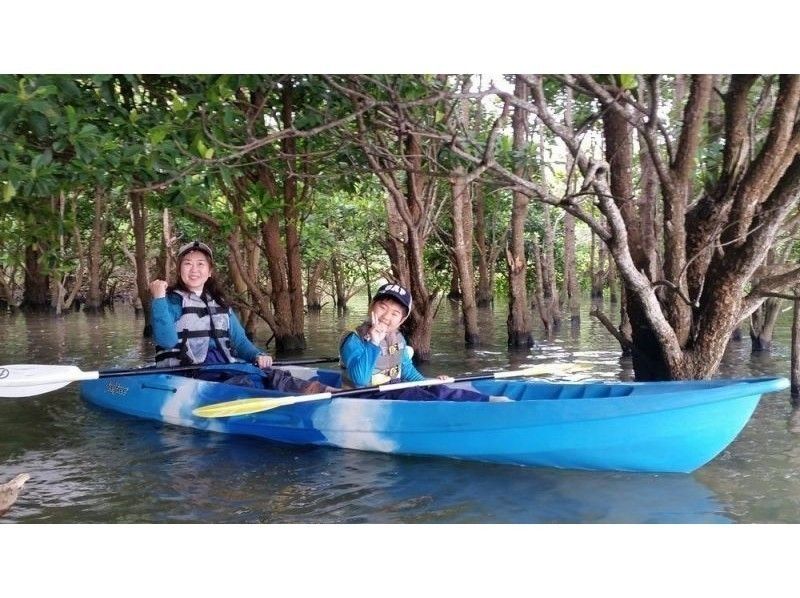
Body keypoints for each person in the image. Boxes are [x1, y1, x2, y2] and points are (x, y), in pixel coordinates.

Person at [150, 240, 329, 393]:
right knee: (248, 381)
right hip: (190, 371)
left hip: (224, 365)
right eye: (187, 263)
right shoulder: (170, 302)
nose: (194, 269)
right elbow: (166, 341)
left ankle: (330, 392)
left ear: (210, 271)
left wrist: (257, 355)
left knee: (270, 374)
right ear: (180, 269)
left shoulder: (219, 304)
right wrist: (159, 297)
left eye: (201, 264)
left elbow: (240, 342)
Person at [339, 282, 489, 401]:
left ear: (401, 320)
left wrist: (428, 383)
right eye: (382, 307)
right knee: (419, 397)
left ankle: (490, 401)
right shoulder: (354, 339)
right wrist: (373, 343)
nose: (386, 316)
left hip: (393, 390)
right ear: (371, 306)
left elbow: (407, 371)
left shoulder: (397, 338)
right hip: (366, 397)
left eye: (395, 313)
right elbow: (360, 381)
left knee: (438, 390)